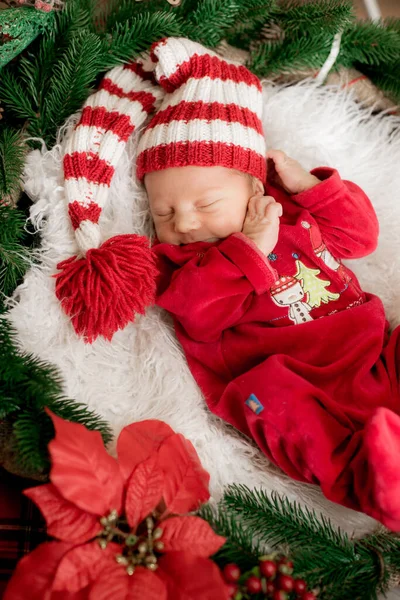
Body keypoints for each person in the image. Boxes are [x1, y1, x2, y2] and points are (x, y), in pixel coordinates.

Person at [135, 36, 400, 530]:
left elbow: (361, 237)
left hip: (370, 355)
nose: (186, 222)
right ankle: (371, 476)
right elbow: (198, 314)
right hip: (298, 381)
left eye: (205, 204)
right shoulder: (184, 263)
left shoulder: (289, 208)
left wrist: (311, 187)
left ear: (256, 187)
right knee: (279, 405)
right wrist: (249, 248)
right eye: (164, 212)